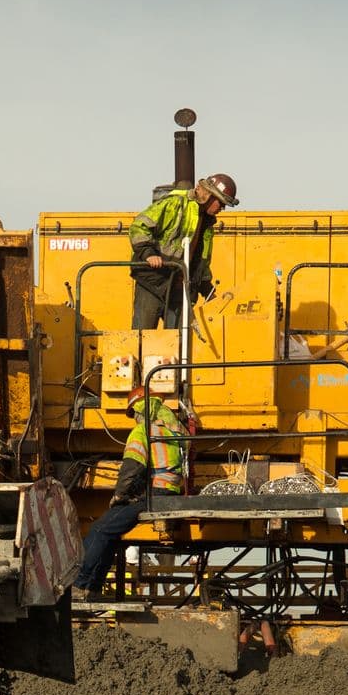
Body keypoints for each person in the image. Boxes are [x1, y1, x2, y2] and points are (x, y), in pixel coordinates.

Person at [70, 361, 196, 594]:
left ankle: (80, 584)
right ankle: (93, 587)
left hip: (155, 493)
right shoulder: (175, 429)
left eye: (133, 414)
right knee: (112, 533)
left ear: (139, 410)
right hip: (171, 491)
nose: (134, 419)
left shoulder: (142, 430)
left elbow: (132, 469)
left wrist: (119, 496)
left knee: (100, 530)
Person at [125, 171, 238, 328]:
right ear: (210, 196)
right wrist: (148, 254)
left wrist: (207, 289)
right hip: (153, 282)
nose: (223, 208)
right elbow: (139, 226)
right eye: (221, 203)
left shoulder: (207, 225)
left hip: (179, 287)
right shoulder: (175, 204)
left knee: (179, 340)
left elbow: (201, 260)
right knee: (142, 338)